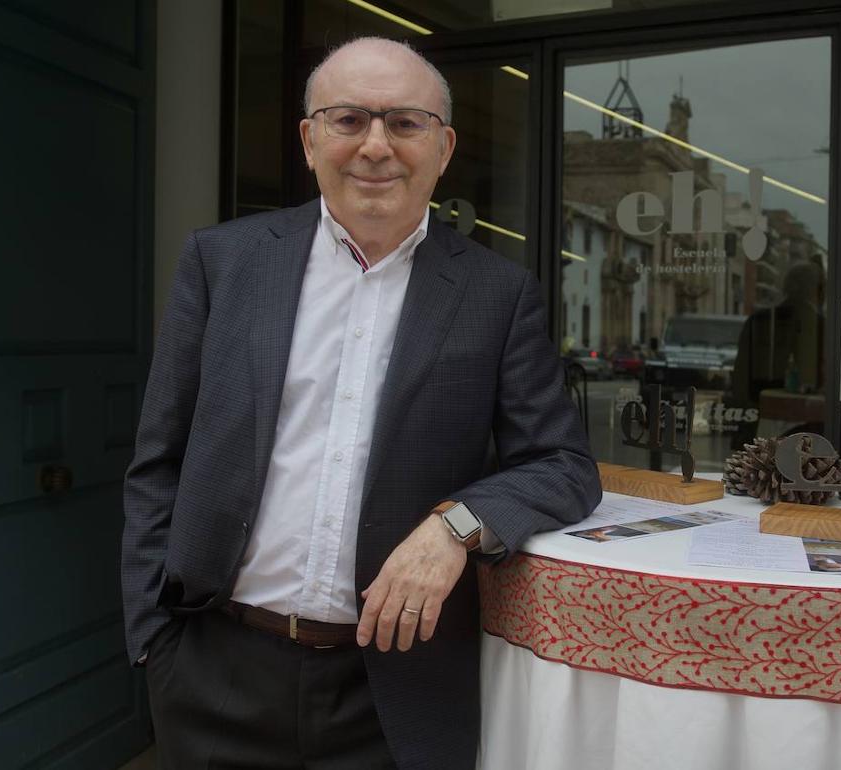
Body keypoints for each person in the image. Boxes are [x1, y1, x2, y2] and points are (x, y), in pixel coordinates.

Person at [121, 36, 600, 769]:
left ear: (443, 148)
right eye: (349, 120)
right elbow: (160, 459)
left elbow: (563, 465)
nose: (376, 146)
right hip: (213, 672)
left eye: (405, 123)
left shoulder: (497, 296)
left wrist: (454, 528)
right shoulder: (222, 264)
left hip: (394, 692)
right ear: (310, 140)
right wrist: (154, 640)